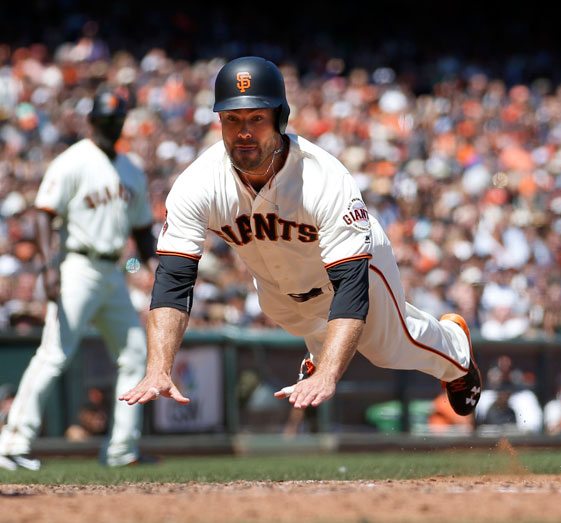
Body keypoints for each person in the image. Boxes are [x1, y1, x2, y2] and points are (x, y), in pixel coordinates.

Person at [119, 57, 482, 419]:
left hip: (353, 267)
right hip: (279, 288)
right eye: (232, 119)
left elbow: (351, 290)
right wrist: (159, 367)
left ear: (279, 119)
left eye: (256, 118)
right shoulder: (198, 183)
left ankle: (457, 352)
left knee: (390, 347)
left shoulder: (324, 179)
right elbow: (173, 281)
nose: (243, 131)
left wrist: (327, 374)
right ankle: (320, 349)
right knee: (283, 312)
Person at [0, 90, 156, 470]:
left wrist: (154, 267)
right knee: (54, 354)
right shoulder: (73, 161)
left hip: (114, 273)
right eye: (104, 120)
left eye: (115, 120)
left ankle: (121, 449)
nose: (110, 126)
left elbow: (142, 228)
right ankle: (12, 442)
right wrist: (48, 268)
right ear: (92, 122)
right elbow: (42, 215)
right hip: (77, 267)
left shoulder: (131, 169)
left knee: (135, 355)